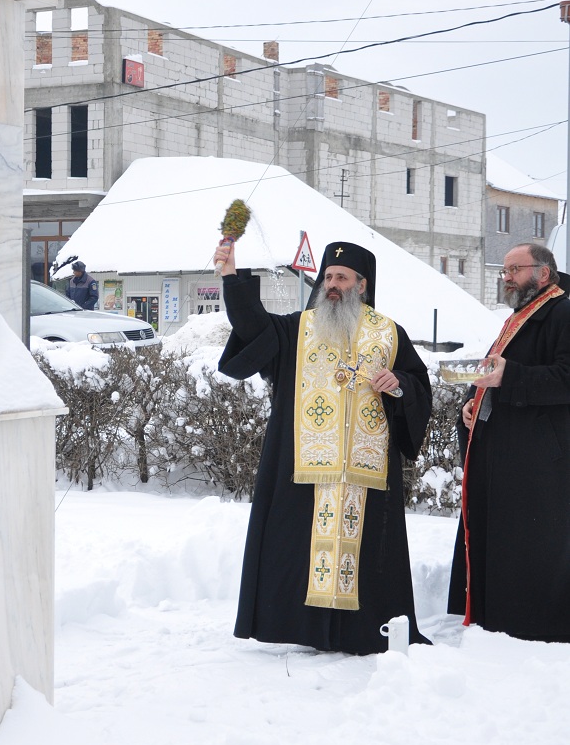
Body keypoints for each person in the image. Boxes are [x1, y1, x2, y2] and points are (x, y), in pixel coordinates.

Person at [215, 239, 432, 655]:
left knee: (368, 558)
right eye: (328, 277)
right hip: (302, 466)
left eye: (342, 278)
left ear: (362, 285)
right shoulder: (298, 328)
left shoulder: (388, 333)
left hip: (367, 470)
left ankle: (363, 633)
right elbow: (252, 325)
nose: (332, 284)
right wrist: (231, 276)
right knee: (296, 551)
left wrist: (399, 385)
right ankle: (303, 630)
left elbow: (417, 384)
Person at [448, 243, 570, 642]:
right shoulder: (519, 317)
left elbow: (564, 378)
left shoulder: (563, 312)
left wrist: (509, 377)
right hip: (503, 455)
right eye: (504, 270)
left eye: (514, 270)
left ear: (543, 273)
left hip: (539, 462)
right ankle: (493, 617)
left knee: (529, 547)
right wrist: (470, 406)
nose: (506, 277)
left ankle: (527, 626)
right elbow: (491, 373)